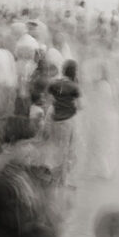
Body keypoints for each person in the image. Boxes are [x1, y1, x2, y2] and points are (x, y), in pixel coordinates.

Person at [46, 59, 81, 192]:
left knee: (56, 148)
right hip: (68, 121)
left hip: (55, 119)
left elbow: (50, 100)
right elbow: (80, 105)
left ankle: (55, 177)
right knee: (66, 151)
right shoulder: (74, 86)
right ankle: (62, 181)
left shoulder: (54, 83)